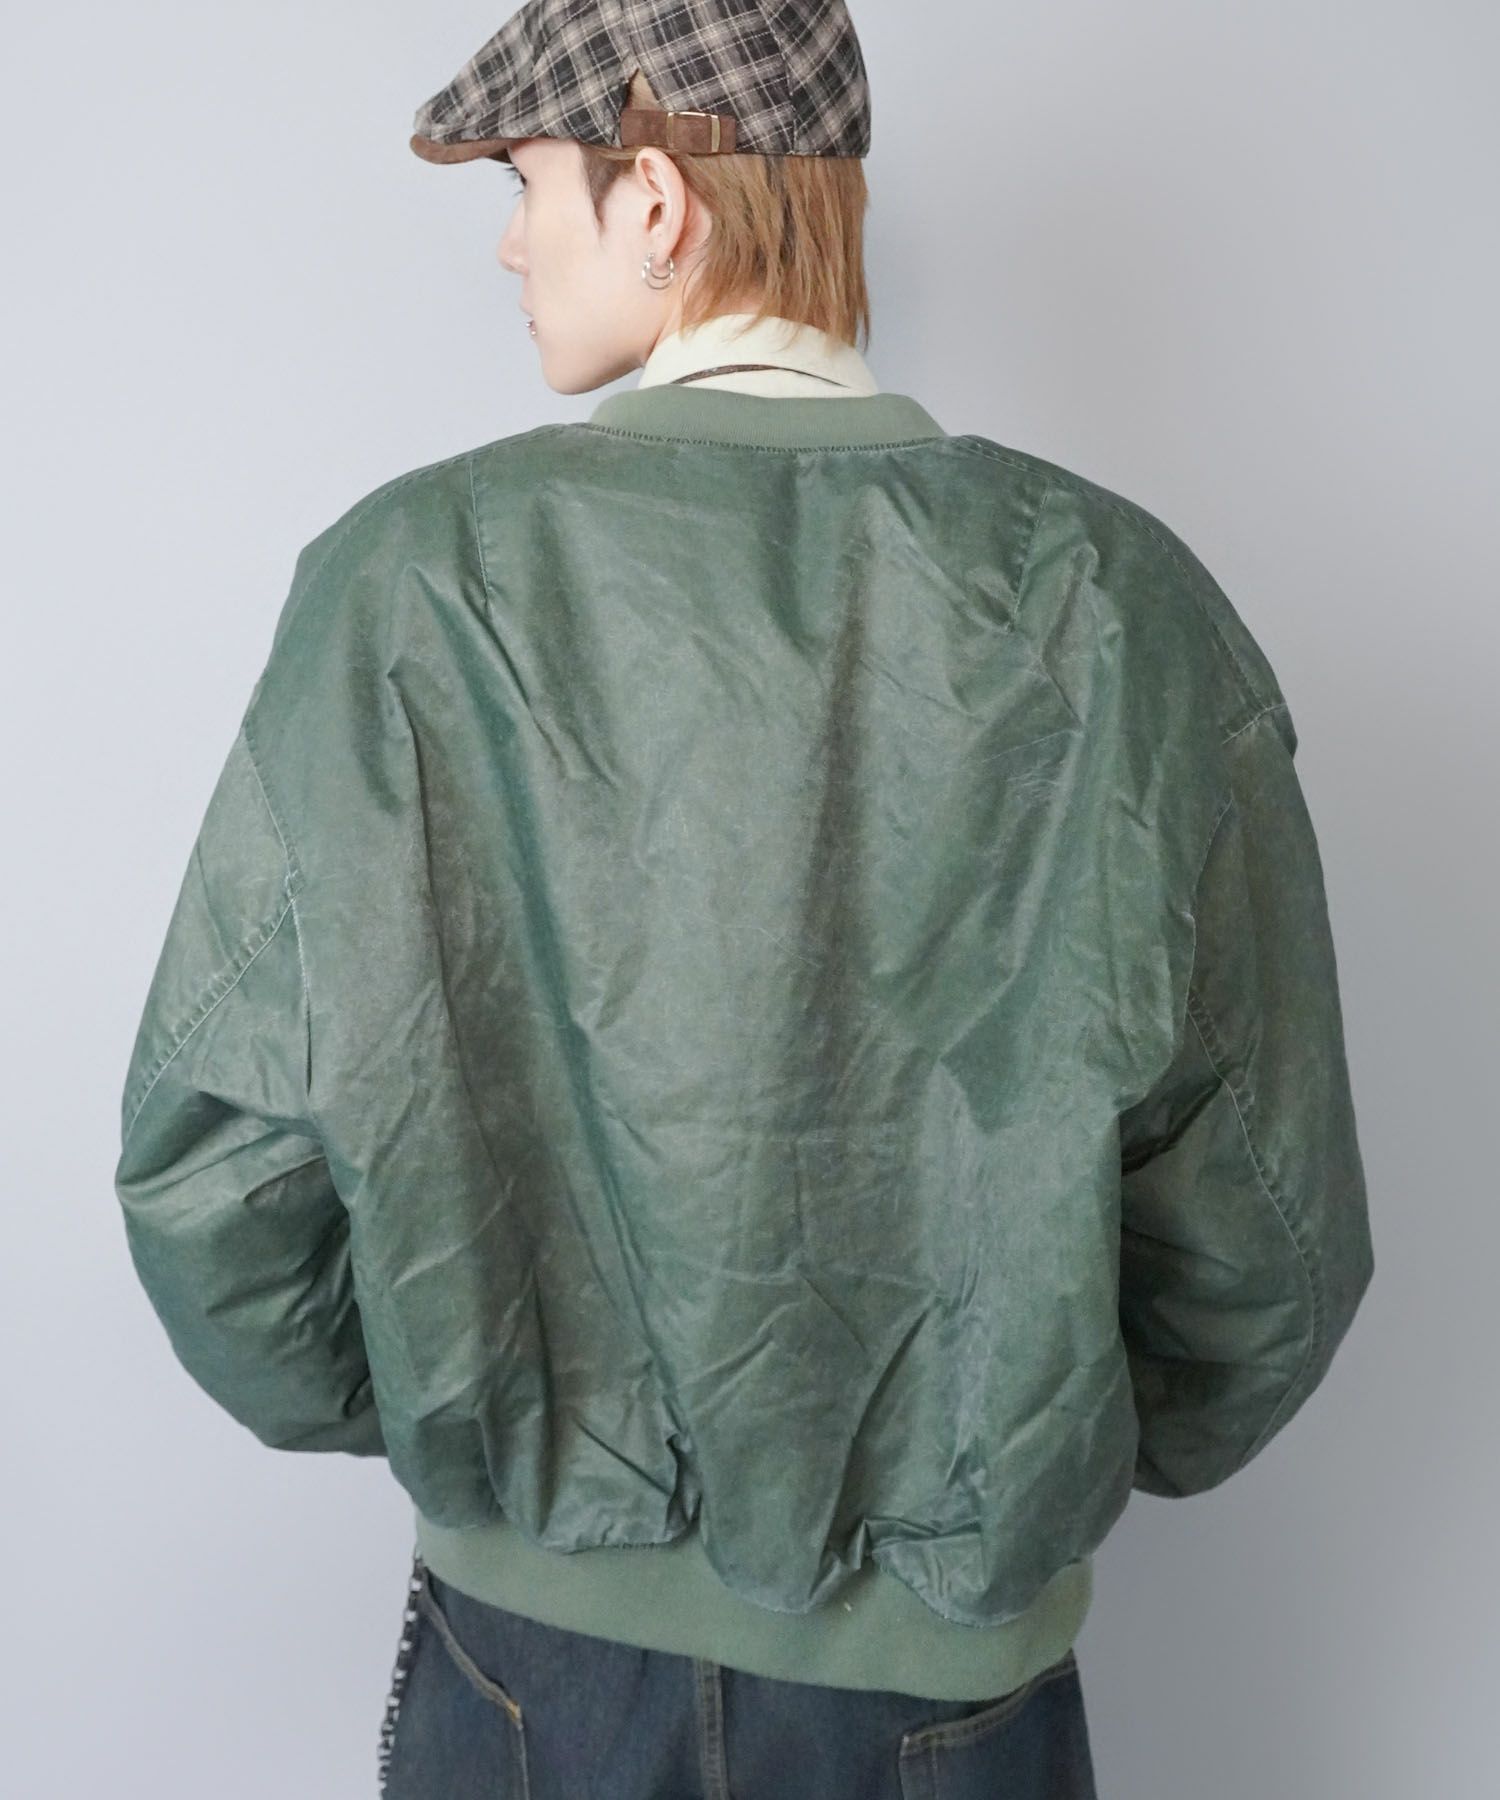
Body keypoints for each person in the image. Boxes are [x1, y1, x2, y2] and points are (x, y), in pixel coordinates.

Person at [110, 3, 1376, 1796]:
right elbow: (1267, 1231)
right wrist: (998, 1481)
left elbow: (216, 1179)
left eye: (529, 181)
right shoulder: (1117, 606)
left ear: (657, 202)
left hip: (531, 1663)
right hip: (950, 1691)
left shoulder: (410, 586)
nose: (509, 241)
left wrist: (494, 1428)